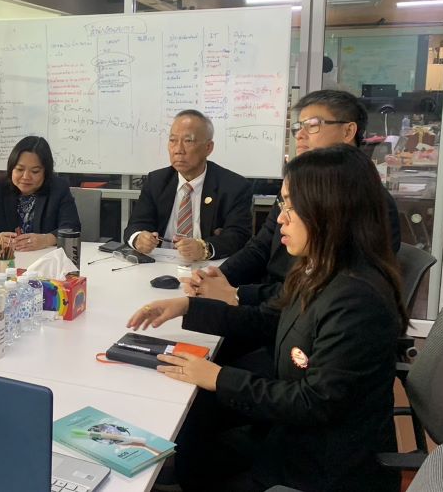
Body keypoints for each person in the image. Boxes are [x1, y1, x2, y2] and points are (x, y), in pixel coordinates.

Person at [127, 144, 406, 491]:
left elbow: (313, 402)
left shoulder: (356, 299)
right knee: (200, 414)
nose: (280, 218)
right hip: (292, 437)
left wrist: (218, 377)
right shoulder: (320, 268)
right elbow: (268, 319)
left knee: (204, 406)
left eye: (291, 206)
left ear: (331, 210)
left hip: (319, 468)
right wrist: (187, 307)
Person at [183, 90, 401, 306]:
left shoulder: (370, 202)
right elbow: (260, 247)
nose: (300, 135)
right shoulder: (295, 187)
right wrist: (215, 277)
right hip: (268, 299)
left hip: (296, 311)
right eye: (298, 127)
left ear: (348, 131)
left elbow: (323, 288)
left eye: (313, 125)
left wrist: (237, 294)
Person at [124, 109, 252, 262]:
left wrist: (204, 248)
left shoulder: (234, 187)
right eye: (173, 140)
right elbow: (135, 225)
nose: (178, 150)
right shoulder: (156, 181)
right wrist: (138, 238)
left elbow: (238, 236)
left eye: (188, 141)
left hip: (207, 267)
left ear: (208, 148)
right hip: (159, 263)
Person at [0, 136, 80, 252]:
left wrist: (46, 240)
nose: (26, 177)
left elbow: (71, 227)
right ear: (11, 168)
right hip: (7, 258)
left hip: (43, 257)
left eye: (35, 171)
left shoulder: (58, 188)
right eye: (20, 169)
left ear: (45, 172)